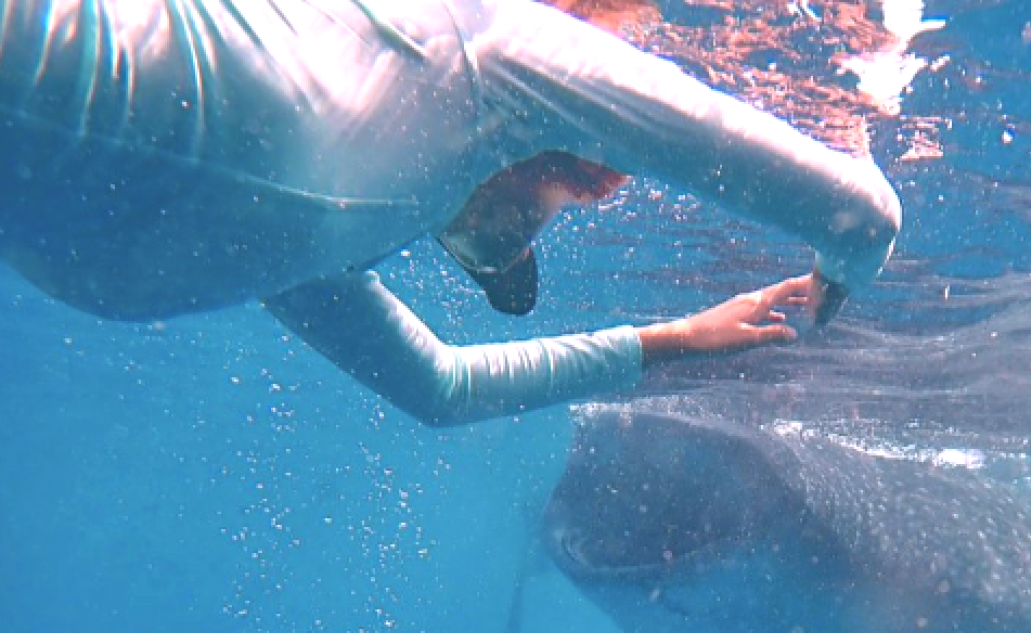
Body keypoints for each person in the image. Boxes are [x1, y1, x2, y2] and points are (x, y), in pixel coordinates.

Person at [0, 0, 902, 426]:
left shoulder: (313, 249)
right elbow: (861, 211)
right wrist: (836, 283)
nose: (499, 259)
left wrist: (671, 343)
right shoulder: (486, 43)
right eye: (517, 235)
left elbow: (439, 386)